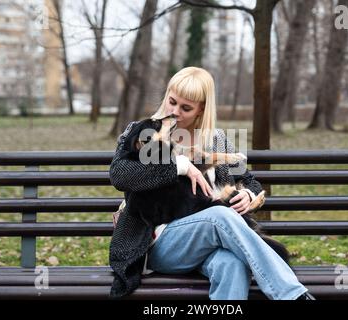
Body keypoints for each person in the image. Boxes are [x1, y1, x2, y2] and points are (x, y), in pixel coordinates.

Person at [109, 66, 315, 300]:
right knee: (219, 216)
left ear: (201, 109)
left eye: (186, 107)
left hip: (204, 246)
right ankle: (292, 296)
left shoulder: (216, 141)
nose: (175, 111)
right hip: (155, 245)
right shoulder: (145, 131)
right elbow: (119, 174)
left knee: (232, 265)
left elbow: (249, 181)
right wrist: (182, 166)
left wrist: (247, 194)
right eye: (172, 101)